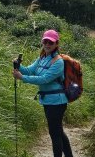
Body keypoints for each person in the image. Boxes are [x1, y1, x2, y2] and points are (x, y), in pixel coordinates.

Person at [13, 29, 73, 157]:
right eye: (45, 41)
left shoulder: (58, 62)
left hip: (57, 102)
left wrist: (21, 77)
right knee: (58, 131)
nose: (47, 44)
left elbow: (44, 79)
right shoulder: (42, 58)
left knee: (54, 132)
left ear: (56, 44)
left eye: (50, 42)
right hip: (48, 101)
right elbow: (29, 70)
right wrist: (19, 66)